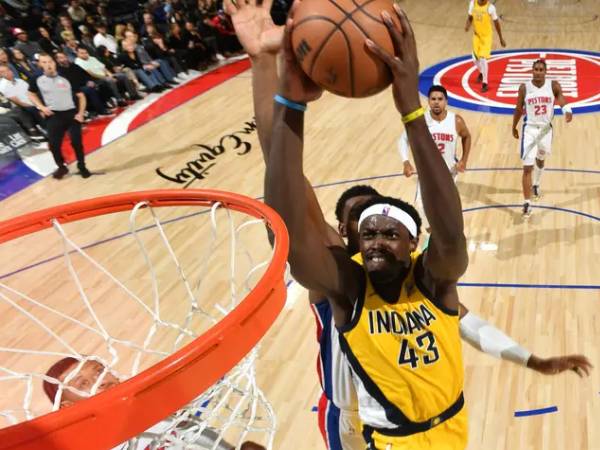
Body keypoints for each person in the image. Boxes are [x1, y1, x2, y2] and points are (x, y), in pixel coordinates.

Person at [228, 1, 592, 448]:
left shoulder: (429, 282)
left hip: (445, 428)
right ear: (342, 236)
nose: (372, 237)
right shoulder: (343, 281)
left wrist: (530, 360)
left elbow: (467, 314)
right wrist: (270, 72)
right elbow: (287, 190)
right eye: (360, 228)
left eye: (386, 229)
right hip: (358, 420)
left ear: (412, 240)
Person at [43, 357, 266, 450]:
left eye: (100, 371)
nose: (100, 381)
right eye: (82, 384)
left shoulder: (161, 404)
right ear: (67, 407)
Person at [398, 85, 471, 230]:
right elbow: (403, 139)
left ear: (446, 101)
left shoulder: (456, 121)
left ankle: (446, 235)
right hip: (427, 172)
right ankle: (433, 235)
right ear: (429, 102)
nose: (436, 102)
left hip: (448, 172)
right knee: (421, 206)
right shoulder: (420, 121)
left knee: (445, 208)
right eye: (433, 99)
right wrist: (405, 161)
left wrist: (464, 160)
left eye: (440, 99)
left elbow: (466, 136)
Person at [511, 59, 573, 218]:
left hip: (546, 130)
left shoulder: (553, 85)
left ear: (545, 71)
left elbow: (560, 97)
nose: (538, 72)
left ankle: (536, 184)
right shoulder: (525, 87)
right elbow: (518, 108)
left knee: (541, 159)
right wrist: (514, 126)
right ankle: (527, 203)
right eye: (536, 69)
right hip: (529, 129)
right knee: (527, 167)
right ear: (532, 71)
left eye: (541, 69)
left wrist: (566, 109)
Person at [28, 53, 91, 179]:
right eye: (44, 62)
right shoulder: (37, 79)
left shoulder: (66, 76)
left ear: (54, 62)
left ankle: (82, 165)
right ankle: (61, 167)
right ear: (40, 64)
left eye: (50, 61)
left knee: (76, 142)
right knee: (53, 145)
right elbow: (31, 94)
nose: (48, 65)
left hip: (71, 113)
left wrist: (80, 113)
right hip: (54, 115)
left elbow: (81, 96)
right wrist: (41, 107)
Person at [464, 0, 506, 93]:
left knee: (483, 58)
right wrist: (467, 24)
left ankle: (485, 83)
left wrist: (501, 38)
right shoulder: (473, 3)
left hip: (486, 37)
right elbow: (470, 17)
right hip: (477, 36)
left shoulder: (490, 8)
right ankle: (482, 72)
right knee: (475, 60)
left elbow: (497, 24)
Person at [0, 63, 46, 140]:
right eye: (3, 72)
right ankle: (45, 129)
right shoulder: (3, 86)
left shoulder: (20, 81)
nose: (8, 72)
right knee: (32, 109)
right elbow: (18, 102)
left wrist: (39, 104)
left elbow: (32, 93)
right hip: (24, 106)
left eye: (8, 70)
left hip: (34, 102)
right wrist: (38, 107)